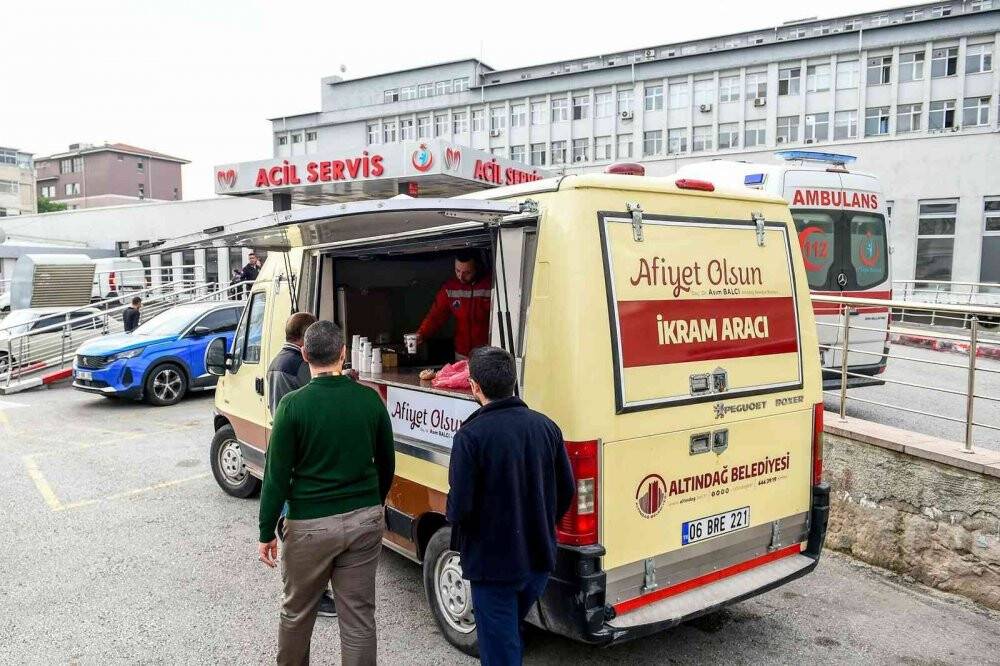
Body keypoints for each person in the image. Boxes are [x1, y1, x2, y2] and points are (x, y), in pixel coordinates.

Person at [258, 320, 395, 666]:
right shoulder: (370, 400)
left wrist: (266, 531)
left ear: (304, 354)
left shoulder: (292, 406)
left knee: (297, 613)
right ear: (343, 353)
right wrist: (372, 505)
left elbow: (276, 476)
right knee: (359, 617)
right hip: (364, 520)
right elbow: (387, 463)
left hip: (308, 525)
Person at [446, 347, 575, 665]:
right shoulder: (546, 426)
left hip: (493, 569)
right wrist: (542, 523)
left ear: (474, 386)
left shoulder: (470, 436)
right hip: (538, 561)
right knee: (510, 635)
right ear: (513, 381)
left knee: (500, 652)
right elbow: (567, 490)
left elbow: (459, 508)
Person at [266, 311, 339, 620]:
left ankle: (310, 591)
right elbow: (303, 409)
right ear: (305, 338)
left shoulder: (281, 362)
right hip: (299, 456)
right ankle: (313, 596)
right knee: (295, 532)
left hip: (294, 452)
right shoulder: (293, 366)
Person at [416, 251, 491, 360]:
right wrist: (421, 334)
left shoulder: (491, 285)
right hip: (461, 353)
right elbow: (435, 317)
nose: (461, 276)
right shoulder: (450, 288)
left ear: (478, 268)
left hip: (487, 353)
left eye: (467, 272)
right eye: (457, 271)